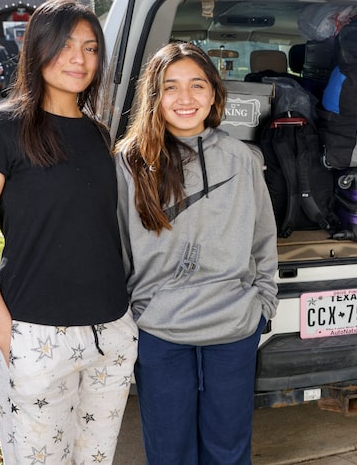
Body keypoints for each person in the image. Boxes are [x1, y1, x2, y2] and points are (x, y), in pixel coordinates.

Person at [0, 0, 138, 464]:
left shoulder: (101, 135)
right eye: (64, 45)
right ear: (37, 49)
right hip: (37, 337)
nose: (78, 59)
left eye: (89, 47)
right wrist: (10, 339)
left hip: (112, 334)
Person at [115, 41, 279, 464]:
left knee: (229, 449)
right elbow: (116, 248)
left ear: (214, 94)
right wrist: (138, 314)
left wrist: (262, 304)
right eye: (170, 87)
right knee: (170, 452)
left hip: (234, 329)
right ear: (154, 95)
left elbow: (263, 241)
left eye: (197, 85)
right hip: (160, 333)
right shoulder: (129, 164)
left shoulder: (243, 159)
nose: (185, 98)